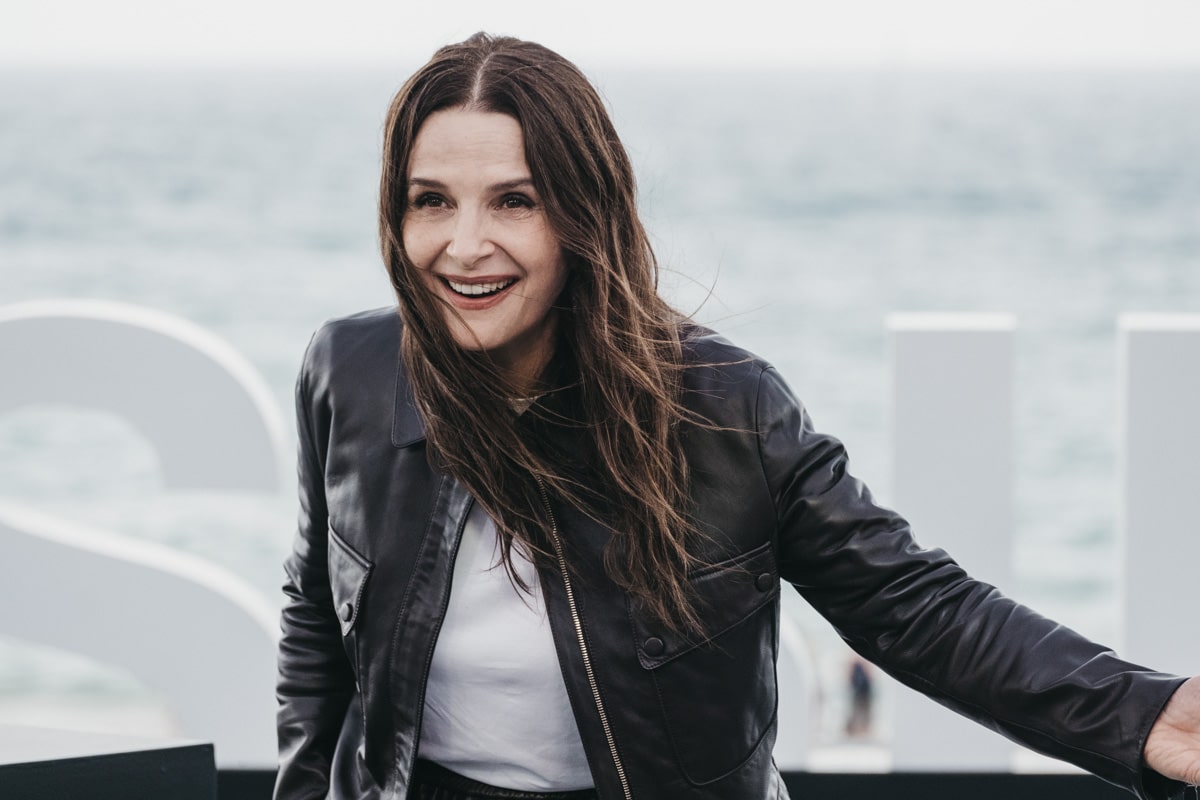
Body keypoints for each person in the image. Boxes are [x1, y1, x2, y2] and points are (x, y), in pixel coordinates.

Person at [274, 32, 1200, 800]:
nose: (464, 244)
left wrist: (1144, 715)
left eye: (515, 202)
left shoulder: (725, 405)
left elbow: (915, 607)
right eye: (430, 202)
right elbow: (316, 620)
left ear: (582, 216)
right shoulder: (349, 371)